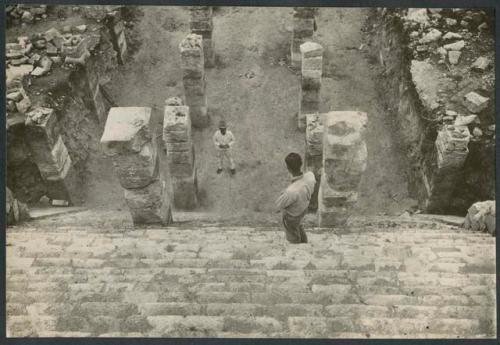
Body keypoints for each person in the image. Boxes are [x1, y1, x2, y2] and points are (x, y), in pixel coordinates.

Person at [275, 153, 316, 243]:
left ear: (288, 168)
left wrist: (284, 194)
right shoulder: (310, 176)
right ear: (300, 164)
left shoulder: (291, 191)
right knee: (298, 224)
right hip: (303, 209)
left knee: (292, 231)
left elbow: (278, 206)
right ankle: (304, 241)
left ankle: (296, 243)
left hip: (292, 215)